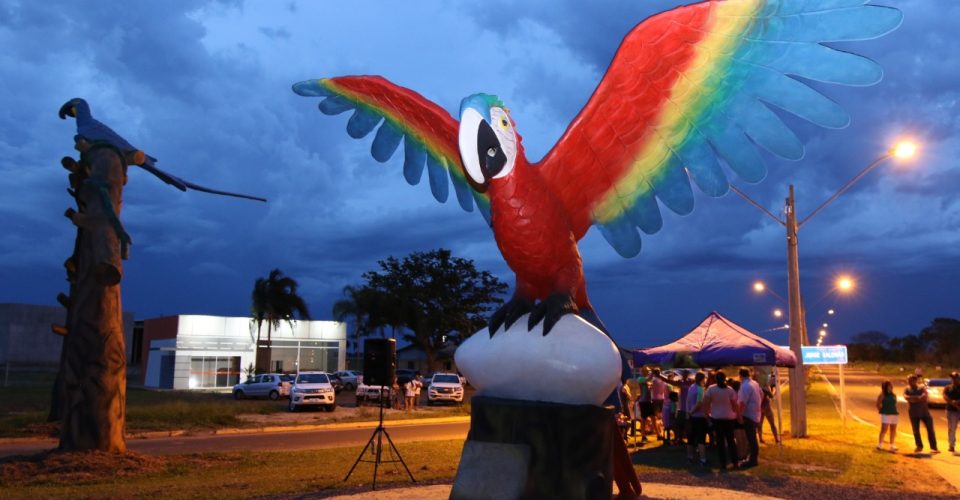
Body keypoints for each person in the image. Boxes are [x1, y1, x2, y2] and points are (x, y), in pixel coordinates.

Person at [701, 370, 738, 469]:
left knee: (720, 441)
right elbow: (735, 404)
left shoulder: (711, 389)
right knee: (731, 441)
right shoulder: (730, 390)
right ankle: (735, 461)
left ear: (715, 380)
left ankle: (723, 463)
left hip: (717, 418)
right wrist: (736, 414)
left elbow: (705, 402)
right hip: (729, 417)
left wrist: (707, 414)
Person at [904, 374, 938, 453]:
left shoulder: (921, 387)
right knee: (916, 430)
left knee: (930, 430)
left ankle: (934, 447)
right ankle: (919, 446)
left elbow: (924, 396)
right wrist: (917, 398)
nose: (909, 382)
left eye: (910, 380)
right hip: (913, 413)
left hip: (925, 413)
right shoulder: (907, 389)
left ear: (915, 380)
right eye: (908, 380)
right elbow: (905, 397)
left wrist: (912, 399)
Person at [738, 368, 763, 467]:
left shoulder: (745, 386)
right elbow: (762, 394)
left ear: (740, 375)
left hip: (748, 414)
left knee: (751, 438)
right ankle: (752, 457)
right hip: (756, 413)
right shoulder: (754, 383)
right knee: (752, 437)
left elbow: (742, 403)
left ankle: (752, 460)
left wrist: (739, 415)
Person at [686, 371, 709, 467]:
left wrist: (688, 413)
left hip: (691, 417)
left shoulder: (691, 387)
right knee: (701, 439)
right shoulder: (700, 389)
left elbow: (687, 401)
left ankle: (690, 457)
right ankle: (703, 459)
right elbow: (699, 403)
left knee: (690, 438)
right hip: (699, 417)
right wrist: (692, 411)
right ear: (702, 379)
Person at [876, 380, 899, 451]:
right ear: (885, 387)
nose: (891, 387)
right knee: (884, 429)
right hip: (886, 414)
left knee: (893, 430)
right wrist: (882, 410)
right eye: (889, 385)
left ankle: (892, 445)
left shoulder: (893, 395)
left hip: (894, 413)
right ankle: (880, 444)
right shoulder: (882, 395)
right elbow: (878, 404)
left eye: (891, 385)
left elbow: (894, 404)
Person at [758, 379, 779, 444]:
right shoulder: (764, 389)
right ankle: (776, 439)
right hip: (766, 407)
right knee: (772, 423)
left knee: (759, 425)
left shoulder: (755, 389)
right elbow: (771, 396)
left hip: (759, 408)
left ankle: (760, 438)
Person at [945, 371, 960, 453]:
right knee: (952, 428)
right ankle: (951, 445)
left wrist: (957, 402)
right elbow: (945, 396)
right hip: (951, 410)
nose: (953, 379)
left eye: (955, 378)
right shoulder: (948, 387)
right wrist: (952, 402)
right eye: (952, 378)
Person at [651, 368, 667, 440]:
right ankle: (662, 432)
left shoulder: (654, 381)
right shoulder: (663, 380)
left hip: (655, 399)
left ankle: (659, 433)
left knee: (655, 417)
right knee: (661, 416)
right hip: (662, 398)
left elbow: (652, 389)